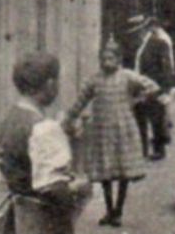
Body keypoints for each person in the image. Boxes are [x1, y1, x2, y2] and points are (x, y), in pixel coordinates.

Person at [0, 51, 90, 234]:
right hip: (45, 222)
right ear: (50, 84)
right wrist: (78, 188)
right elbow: (55, 188)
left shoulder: (4, 125)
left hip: (18, 219)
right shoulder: (45, 128)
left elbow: (4, 176)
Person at [65, 41, 157, 227]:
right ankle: (109, 210)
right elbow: (80, 100)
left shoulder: (127, 76)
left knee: (123, 171)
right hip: (102, 131)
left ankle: (119, 211)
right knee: (105, 172)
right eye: (104, 58)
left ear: (119, 59)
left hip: (123, 129)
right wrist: (68, 119)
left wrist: (136, 100)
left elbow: (152, 87)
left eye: (111, 58)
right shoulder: (95, 80)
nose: (107, 62)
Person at [127, 15, 175, 159]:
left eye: (137, 32)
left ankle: (159, 150)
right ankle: (142, 150)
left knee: (156, 119)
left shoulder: (159, 44)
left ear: (143, 30)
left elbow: (166, 68)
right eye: (133, 33)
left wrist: (164, 90)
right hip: (138, 89)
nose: (135, 35)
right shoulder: (135, 47)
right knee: (139, 119)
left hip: (155, 88)